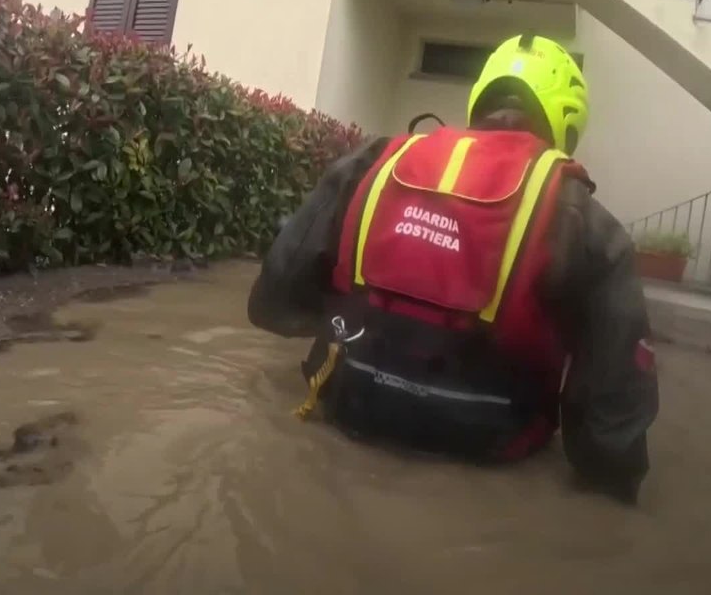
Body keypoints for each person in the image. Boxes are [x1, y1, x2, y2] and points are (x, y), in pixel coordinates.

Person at [247, 33, 658, 504]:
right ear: (566, 123)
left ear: (479, 99)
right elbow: (613, 417)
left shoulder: (374, 160)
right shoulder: (588, 220)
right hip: (491, 453)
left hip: (344, 412)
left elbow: (272, 304)